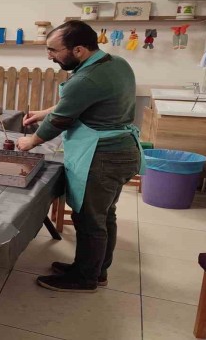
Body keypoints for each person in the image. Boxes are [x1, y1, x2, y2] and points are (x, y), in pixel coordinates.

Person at [16, 20, 144, 293]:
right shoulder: (115, 63)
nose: (49, 56)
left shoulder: (85, 79)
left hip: (103, 157)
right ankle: (95, 270)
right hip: (122, 151)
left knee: (90, 220)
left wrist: (32, 140)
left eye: (53, 50)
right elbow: (76, 101)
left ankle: (85, 278)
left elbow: (61, 119)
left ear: (79, 50)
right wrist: (42, 113)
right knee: (104, 215)